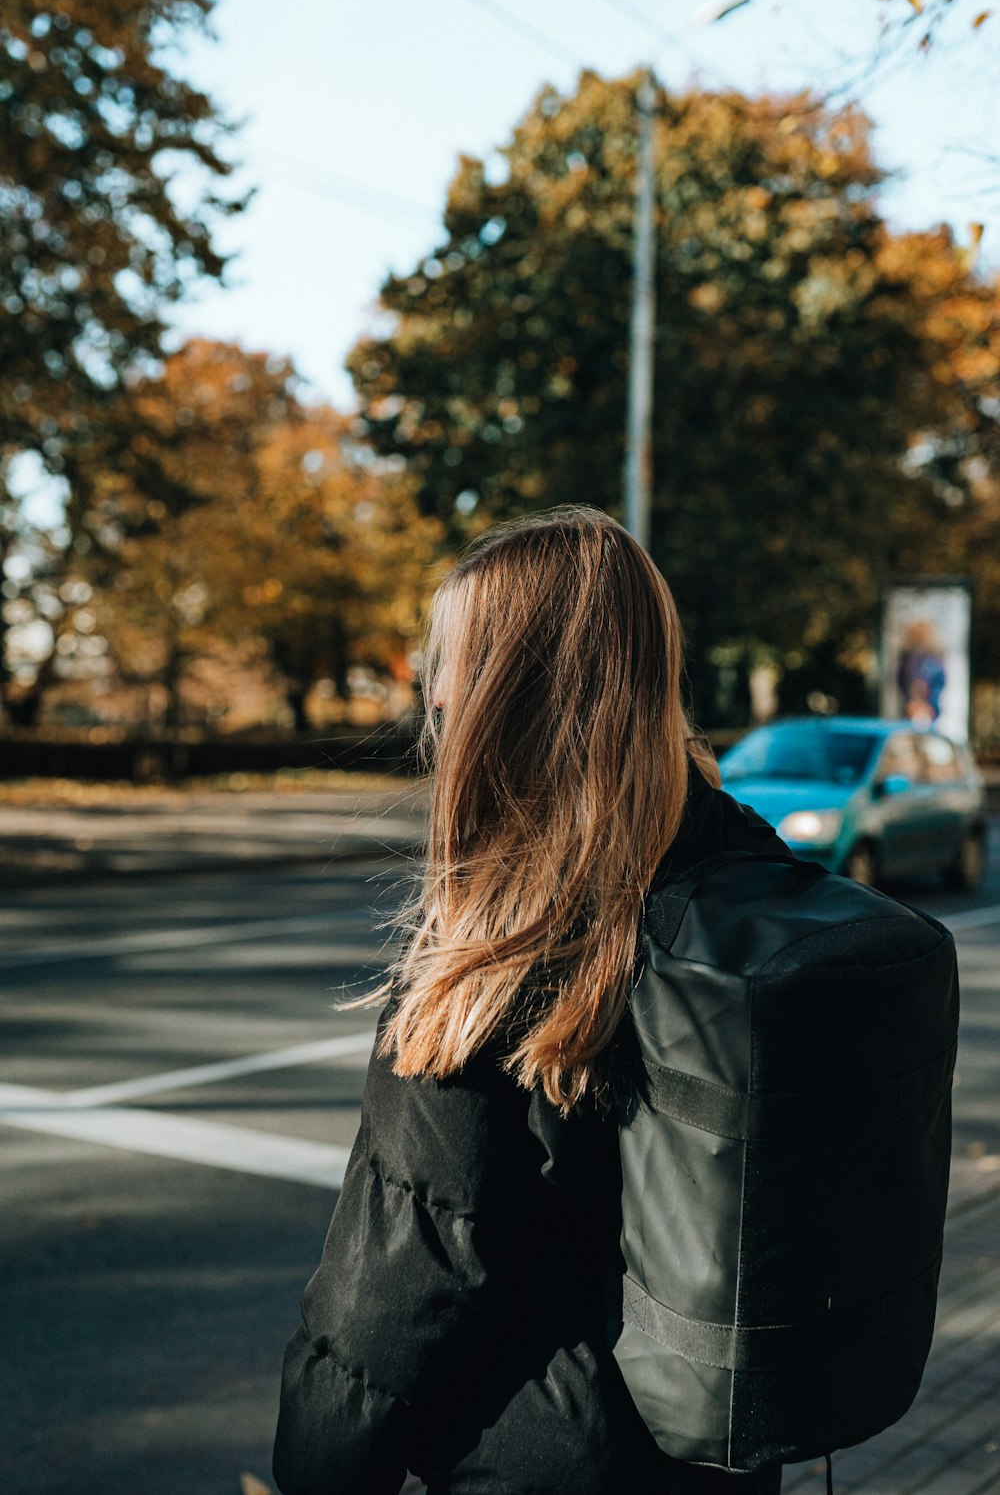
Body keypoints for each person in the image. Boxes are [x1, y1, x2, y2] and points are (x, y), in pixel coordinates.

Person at [272, 506, 786, 1495]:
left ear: (502, 695)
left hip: (539, 1460)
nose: (432, 694)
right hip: (714, 1455)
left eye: (449, 665)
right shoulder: (738, 887)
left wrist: (313, 1468)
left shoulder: (494, 958)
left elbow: (397, 1292)